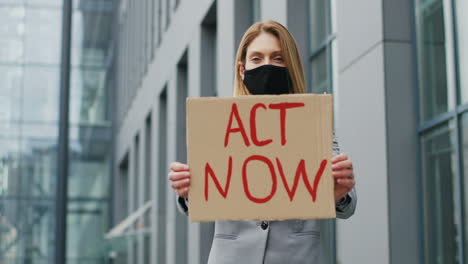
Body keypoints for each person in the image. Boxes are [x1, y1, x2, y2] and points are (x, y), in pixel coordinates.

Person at [168, 20, 356, 264]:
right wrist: (186, 189)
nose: (267, 66)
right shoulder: (221, 125)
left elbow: (347, 204)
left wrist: (340, 192)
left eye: (278, 58)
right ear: (242, 70)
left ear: (291, 67)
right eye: (256, 59)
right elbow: (201, 194)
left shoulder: (313, 125)